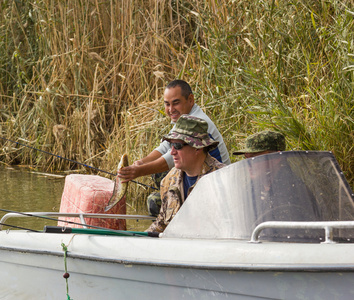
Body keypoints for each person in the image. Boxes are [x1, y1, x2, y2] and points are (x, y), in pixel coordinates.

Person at [118, 80, 230, 215]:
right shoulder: (184, 119)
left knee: (154, 202)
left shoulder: (198, 122)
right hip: (194, 176)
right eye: (167, 104)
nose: (171, 110)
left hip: (214, 185)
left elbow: (173, 155)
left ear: (190, 99)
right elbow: (167, 146)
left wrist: (138, 171)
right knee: (158, 176)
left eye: (176, 103)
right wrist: (141, 163)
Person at [233, 130, 322, 241]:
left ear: (276, 157)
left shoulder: (293, 190)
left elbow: (296, 237)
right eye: (246, 158)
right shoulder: (251, 189)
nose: (248, 163)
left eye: (254, 157)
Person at [146, 115, 226, 233]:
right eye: (171, 145)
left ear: (197, 148)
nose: (172, 152)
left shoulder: (221, 180)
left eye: (178, 146)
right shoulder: (169, 180)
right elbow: (161, 223)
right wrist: (141, 239)